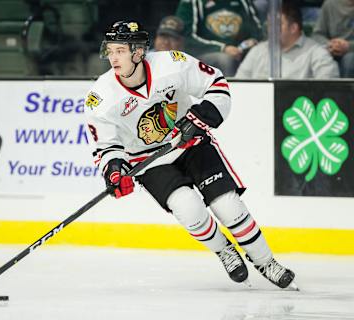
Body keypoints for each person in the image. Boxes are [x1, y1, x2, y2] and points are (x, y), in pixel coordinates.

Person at [83, 20, 297, 290]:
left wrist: (200, 116)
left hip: (190, 143)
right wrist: (115, 170)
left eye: (120, 51)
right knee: (188, 208)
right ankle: (224, 251)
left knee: (227, 206)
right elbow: (106, 146)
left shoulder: (172, 64)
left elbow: (217, 84)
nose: (113, 58)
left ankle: (267, 263)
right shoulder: (100, 97)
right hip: (148, 162)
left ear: (137, 52)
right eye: (110, 51)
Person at [235, 2, 340, 79]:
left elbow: (329, 88)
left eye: (277, 24)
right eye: (269, 24)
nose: (270, 29)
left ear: (293, 28)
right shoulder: (257, 51)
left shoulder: (316, 52)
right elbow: (238, 85)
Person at [176, 0, 263, 76]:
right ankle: (230, 92)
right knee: (224, 59)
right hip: (205, 53)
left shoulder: (243, 2)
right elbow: (187, 39)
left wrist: (252, 41)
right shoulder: (191, 2)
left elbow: (258, 30)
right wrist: (223, 48)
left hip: (241, 50)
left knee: (261, 53)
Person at [312, 0, 354, 78]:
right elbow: (317, 35)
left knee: (350, 60)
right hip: (331, 50)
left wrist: (349, 46)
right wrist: (330, 44)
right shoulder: (329, 4)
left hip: (351, 53)